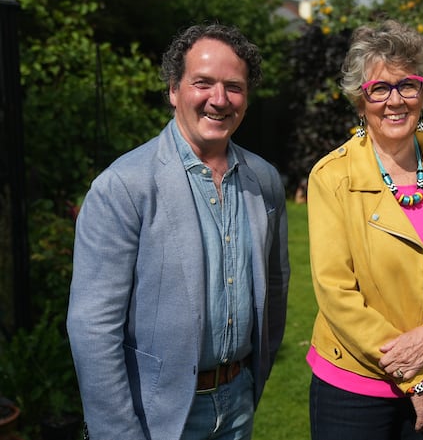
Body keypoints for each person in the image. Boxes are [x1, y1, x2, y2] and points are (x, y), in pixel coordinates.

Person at [67, 24, 290, 440]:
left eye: (234, 87)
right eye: (202, 83)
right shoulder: (124, 186)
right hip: (156, 415)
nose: (219, 100)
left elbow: (274, 291)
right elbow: (92, 328)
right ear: (174, 90)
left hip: (238, 402)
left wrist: (252, 380)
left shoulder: (264, 180)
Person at [305, 19, 423, 440]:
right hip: (355, 384)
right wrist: (416, 379)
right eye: (379, 88)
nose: (395, 101)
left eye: (407, 85)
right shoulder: (332, 175)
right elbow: (336, 292)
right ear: (361, 101)